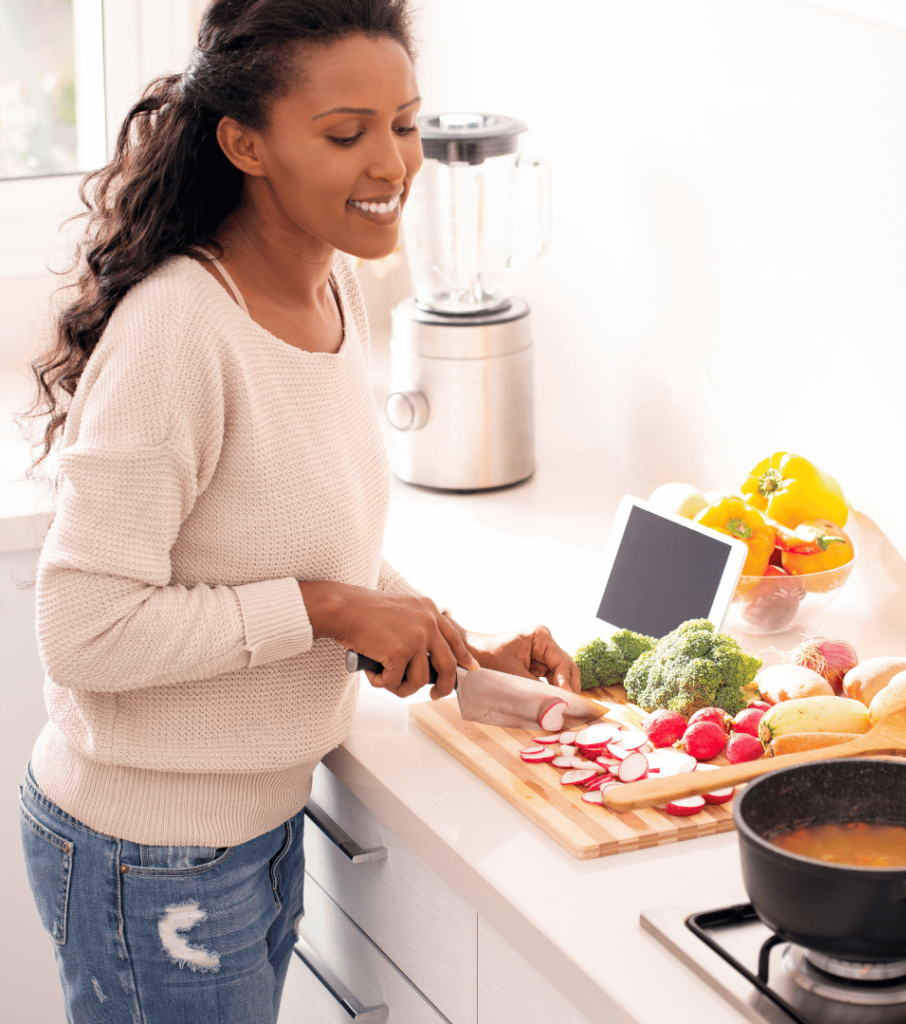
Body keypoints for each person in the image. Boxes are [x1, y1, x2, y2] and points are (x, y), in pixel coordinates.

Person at [17, 2, 581, 1021]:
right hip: (149, 854)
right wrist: (329, 610)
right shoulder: (180, 333)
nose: (392, 165)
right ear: (245, 144)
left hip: (254, 820)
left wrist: (455, 639)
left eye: (404, 124)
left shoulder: (330, 292)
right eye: (344, 133)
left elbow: (310, 539)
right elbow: (83, 630)